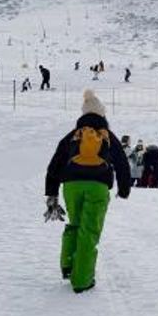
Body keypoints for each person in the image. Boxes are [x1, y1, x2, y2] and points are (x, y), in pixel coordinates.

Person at [44, 90, 132, 293]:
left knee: (75, 224)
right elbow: (122, 163)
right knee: (89, 231)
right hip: (97, 186)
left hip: (71, 186)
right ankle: (82, 280)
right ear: (102, 115)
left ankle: (68, 266)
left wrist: (52, 192)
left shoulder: (73, 136)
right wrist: (124, 189)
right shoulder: (107, 136)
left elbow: (55, 164)